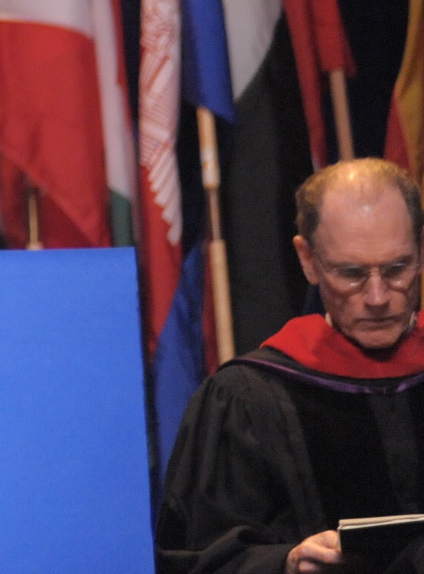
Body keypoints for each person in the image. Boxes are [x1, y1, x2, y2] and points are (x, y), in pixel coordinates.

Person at [159, 158, 424, 574]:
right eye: (351, 273)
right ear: (308, 260)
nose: (377, 296)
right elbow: (195, 557)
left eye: (396, 269)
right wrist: (286, 562)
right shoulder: (250, 397)